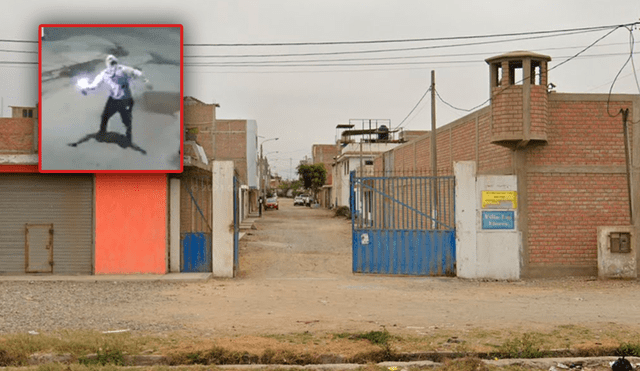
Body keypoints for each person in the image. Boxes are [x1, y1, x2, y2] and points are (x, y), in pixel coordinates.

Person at [81, 54, 147, 143]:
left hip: (124, 99)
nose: (113, 67)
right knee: (105, 116)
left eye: (113, 63)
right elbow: (94, 85)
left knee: (125, 119)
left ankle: (127, 135)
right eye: (112, 64)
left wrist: (145, 80)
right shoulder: (107, 73)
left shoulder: (121, 70)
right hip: (115, 99)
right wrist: (85, 88)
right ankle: (103, 131)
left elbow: (136, 72)